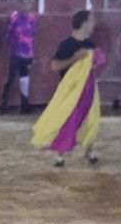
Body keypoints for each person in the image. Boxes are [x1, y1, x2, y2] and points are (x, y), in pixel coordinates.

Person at [31, 9, 103, 168]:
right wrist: (75, 58)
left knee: (90, 117)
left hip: (88, 89)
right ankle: (60, 155)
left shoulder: (90, 43)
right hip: (70, 90)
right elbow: (55, 66)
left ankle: (89, 151)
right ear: (84, 23)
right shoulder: (67, 44)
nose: (93, 24)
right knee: (67, 118)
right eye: (92, 21)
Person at [2, 0, 36, 114]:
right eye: (23, 3)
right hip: (16, 52)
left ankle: (24, 105)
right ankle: (3, 106)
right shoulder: (14, 17)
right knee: (10, 78)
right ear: (19, 4)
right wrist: (9, 47)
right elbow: (9, 34)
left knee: (24, 79)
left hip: (27, 53)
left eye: (28, 3)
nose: (26, 6)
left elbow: (33, 33)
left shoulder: (32, 18)